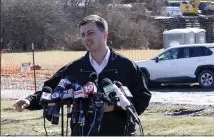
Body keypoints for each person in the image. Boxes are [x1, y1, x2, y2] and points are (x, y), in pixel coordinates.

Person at [13, 15, 152, 136]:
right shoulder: (74, 68)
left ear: (105, 34)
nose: (86, 38)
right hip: (82, 132)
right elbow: (51, 90)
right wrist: (29, 101)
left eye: (90, 33)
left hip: (119, 131)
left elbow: (142, 97)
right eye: (83, 35)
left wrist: (115, 107)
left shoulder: (126, 66)